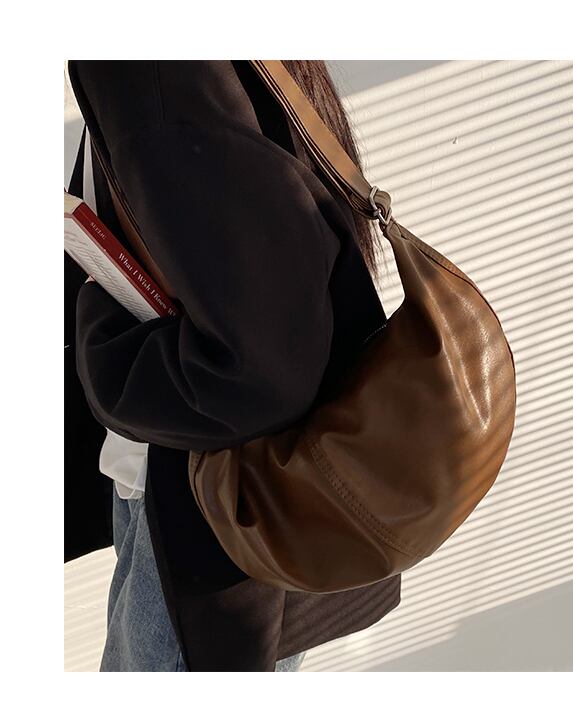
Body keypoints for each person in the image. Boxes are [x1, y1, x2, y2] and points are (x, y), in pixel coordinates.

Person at [64, 60, 402, 672]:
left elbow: (256, 378)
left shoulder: (149, 65)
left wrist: (98, 327)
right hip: (240, 502)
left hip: (209, 526)